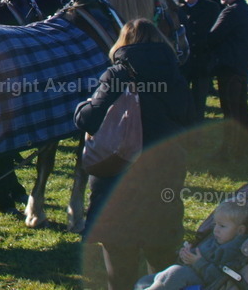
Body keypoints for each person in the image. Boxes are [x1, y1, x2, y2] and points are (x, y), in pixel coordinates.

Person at [75, 19, 193, 290]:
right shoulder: (174, 73)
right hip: (163, 171)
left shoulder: (117, 74)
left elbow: (88, 120)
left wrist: (83, 105)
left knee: (120, 261)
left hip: (119, 175)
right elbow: (190, 118)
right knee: (162, 259)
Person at [133, 199, 248, 290]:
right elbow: (200, 253)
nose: (216, 230)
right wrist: (187, 253)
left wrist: (197, 262)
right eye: (215, 224)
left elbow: (217, 276)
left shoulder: (233, 249)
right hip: (192, 272)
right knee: (145, 281)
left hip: (205, 281)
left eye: (222, 226)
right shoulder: (217, 238)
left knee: (175, 273)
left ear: (240, 230)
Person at [207, 0, 248, 153]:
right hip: (241, 66)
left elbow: (212, 38)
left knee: (231, 110)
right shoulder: (244, 9)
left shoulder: (231, 12)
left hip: (229, 67)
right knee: (240, 107)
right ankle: (244, 145)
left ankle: (230, 148)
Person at [176, 0, 221, 120]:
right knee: (182, 98)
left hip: (203, 61)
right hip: (184, 62)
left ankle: (197, 124)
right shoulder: (178, 10)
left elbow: (216, 34)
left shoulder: (211, 8)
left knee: (199, 98)